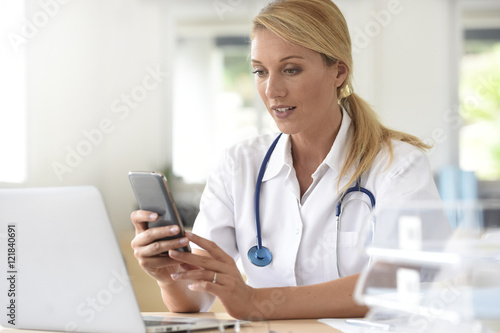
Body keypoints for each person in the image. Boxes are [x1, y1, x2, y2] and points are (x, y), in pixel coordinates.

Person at [130, 0, 451, 321]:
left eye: (291, 69)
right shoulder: (239, 164)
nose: (272, 90)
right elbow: (196, 299)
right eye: (260, 71)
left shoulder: (398, 165)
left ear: (339, 71)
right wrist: (169, 275)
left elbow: (395, 282)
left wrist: (256, 302)